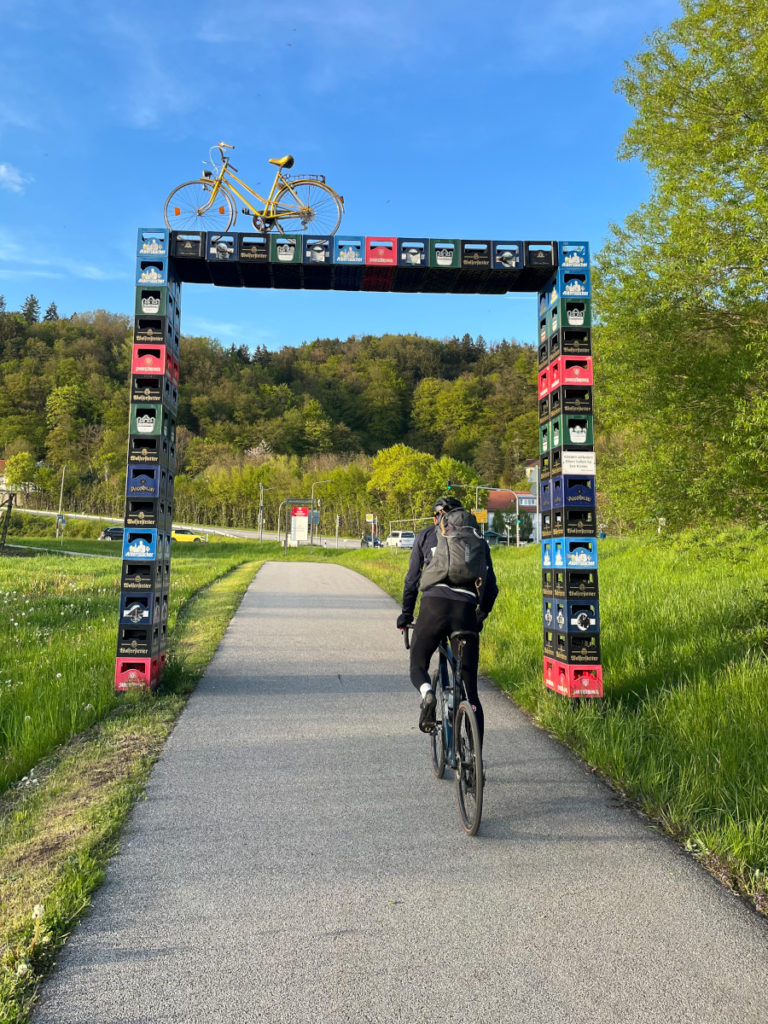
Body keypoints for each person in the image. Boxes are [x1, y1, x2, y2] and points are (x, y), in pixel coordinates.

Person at [396, 496, 498, 740]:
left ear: (437, 518)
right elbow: (491, 587)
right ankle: (475, 762)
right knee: (471, 691)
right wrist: (479, 617)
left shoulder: (426, 535)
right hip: (465, 610)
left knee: (418, 665)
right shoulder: (478, 540)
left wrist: (406, 615)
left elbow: (411, 580)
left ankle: (428, 692)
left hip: (433, 607)